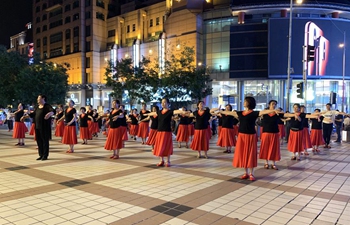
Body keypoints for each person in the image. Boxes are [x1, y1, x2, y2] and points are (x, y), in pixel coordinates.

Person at [219, 97, 278, 181]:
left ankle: (251, 173)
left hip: (251, 136)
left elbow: (263, 112)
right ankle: (245, 173)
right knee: (243, 154)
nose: (244, 102)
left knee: (251, 154)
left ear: (249, 103)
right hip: (242, 136)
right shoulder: (240, 113)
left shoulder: (254, 113)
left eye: (245, 101)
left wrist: (273, 110)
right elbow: (230, 113)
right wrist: (220, 111)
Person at [144, 98, 188, 167]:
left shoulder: (170, 112)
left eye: (164, 102)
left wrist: (183, 112)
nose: (163, 104)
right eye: (162, 102)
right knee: (160, 146)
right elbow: (154, 113)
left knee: (167, 146)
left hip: (167, 132)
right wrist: (147, 114)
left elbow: (176, 111)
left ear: (168, 103)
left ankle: (168, 161)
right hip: (159, 131)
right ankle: (161, 160)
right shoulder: (159, 112)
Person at [26, 95, 54, 160]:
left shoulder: (47, 106)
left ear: (43, 98)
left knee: (45, 141)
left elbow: (52, 111)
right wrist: (25, 117)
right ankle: (41, 154)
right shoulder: (37, 107)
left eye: (39, 98)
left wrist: (49, 114)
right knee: (39, 141)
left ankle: (45, 155)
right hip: (37, 126)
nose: (37, 99)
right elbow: (33, 114)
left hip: (44, 127)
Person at [259, 100, 284, 170]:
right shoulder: (265, 112)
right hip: (266, 132)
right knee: (265, 148)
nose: (274, 105)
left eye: (275, 104)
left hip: (275, 132)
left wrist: (278, 112)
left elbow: (285, 114)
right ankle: (266, 162)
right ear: (269, 104)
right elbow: (260, 114)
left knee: (274, 148)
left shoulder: (277, 113)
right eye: (272, 104)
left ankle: (273, 163)